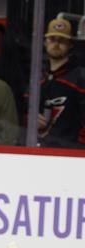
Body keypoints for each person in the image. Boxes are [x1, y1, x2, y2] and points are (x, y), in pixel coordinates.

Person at [37, 17, 85, 149]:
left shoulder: (81, 78)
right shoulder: (35, 77)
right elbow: (20, 117)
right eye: (52, 39)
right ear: (45, 42)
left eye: (62, 41)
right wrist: (30, 120)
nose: (56, 44)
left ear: (70, 45)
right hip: (36, 152)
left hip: (69, 155)